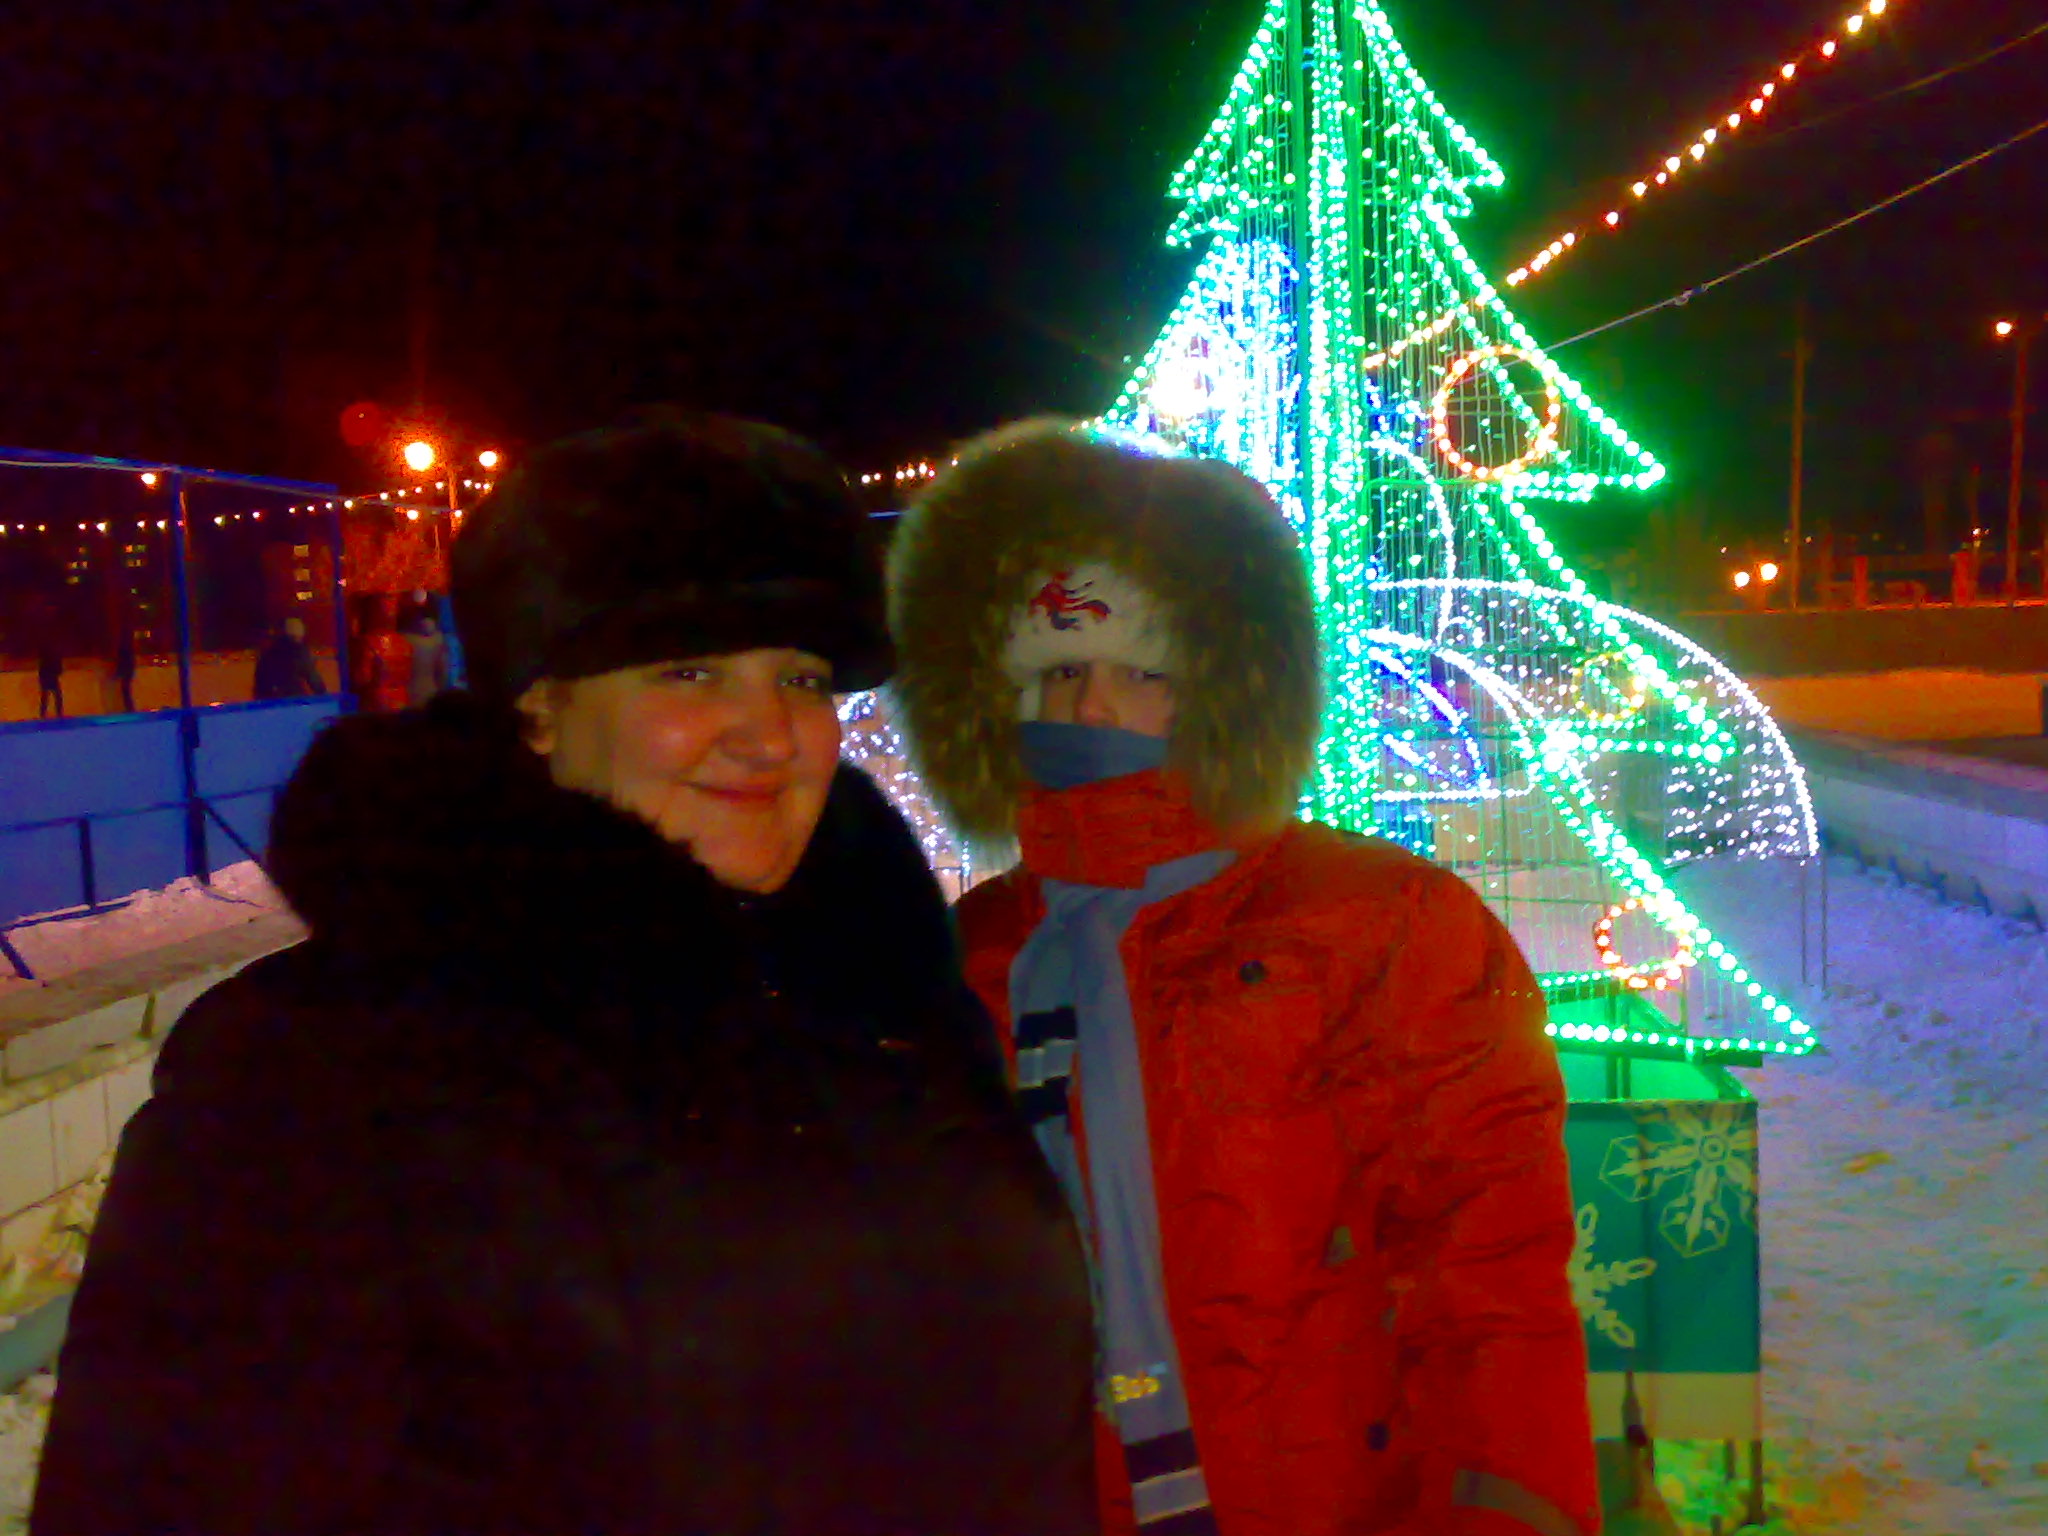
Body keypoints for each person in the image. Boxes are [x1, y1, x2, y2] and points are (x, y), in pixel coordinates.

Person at [33, 413, 1098, 1536]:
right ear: (539, 708)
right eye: (690, 670)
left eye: (799, 676)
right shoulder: (318, 1074)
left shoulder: (891, 999)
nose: (772, 735)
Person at [888, 419, 1596, 1536]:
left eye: (1141, 672)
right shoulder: (969, 956)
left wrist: (1506, 1510)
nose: (1090, 710)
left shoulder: (1380, 923)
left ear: (1221, 689)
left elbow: (1488, 1271)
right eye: (1060, 669)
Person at [252, 615, 328, 700]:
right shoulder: (298, 652)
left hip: (271, 700)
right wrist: (324, 695)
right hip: (292, 700)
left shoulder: (268, 653)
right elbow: (312, 677)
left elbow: (259, 685)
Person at [405, 610, 450, 706]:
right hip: (431, 692)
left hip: (410, 694)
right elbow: (442, 671)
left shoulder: (405, 639)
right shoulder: (438, 639)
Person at [36, 633, 63, 719]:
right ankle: (57, 714)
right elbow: (58, 668)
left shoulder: (47, 656)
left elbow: (42, 668)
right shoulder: (53, 655)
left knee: (47, 697)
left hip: (48, 676)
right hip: (50, 676)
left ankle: (44, 714)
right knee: (54, 696)